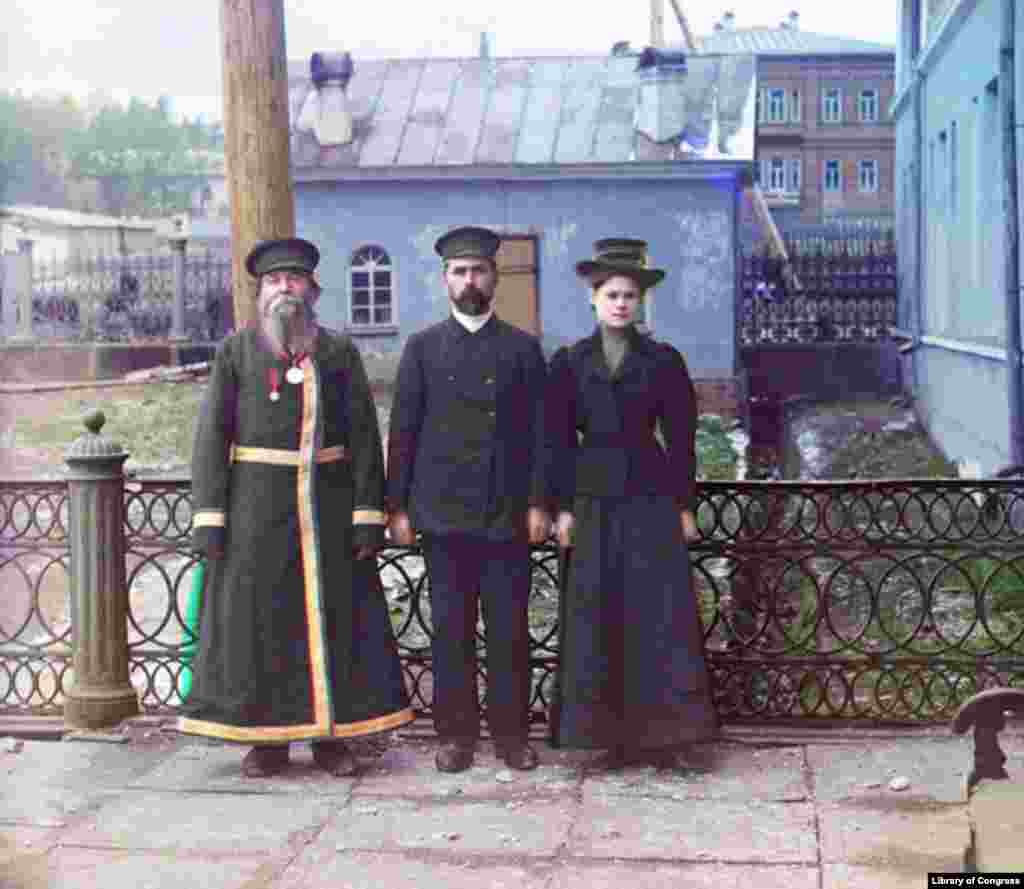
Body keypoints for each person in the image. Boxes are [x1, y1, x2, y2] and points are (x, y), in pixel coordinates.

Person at [180, 237, 414, 777]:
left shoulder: (338, 353)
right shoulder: (235, 353)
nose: (284, 287)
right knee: (263, 625)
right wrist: (210, 518)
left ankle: (333, 741)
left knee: (336, 622)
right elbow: (212, 438)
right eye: (273, 281)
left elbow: (362, 435)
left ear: (312, 289)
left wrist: (366, 515)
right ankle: (267, 742)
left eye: (294, 279)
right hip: (255, 515)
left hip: (328, 514)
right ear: (260, 293)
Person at [544, 238, 718, 769]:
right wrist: (564, 509)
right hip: (593, 499)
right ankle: (607, 738)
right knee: (599, 613)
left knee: (659, 614)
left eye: (629, 295)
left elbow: (682, 438)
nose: (621, 303)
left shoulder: (664, 361)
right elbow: (555, 440)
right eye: (611, 294)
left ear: (640, 302)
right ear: (592, 299)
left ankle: (672, 737)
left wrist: (684, 507)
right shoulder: (570, 362)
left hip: (649, 497)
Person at [386, 226, 549, 773]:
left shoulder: (523, 349)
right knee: (450, 632)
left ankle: (510, 736)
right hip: (444, 517)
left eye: (478, 270)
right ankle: (455, 737)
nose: (469, 280)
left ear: (494, 278)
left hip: (506, 516)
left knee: (508, 632)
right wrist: (399, 508)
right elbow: (403, 433)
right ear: (444, 281)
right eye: (459, 272)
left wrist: (537, 504)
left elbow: (542, 437)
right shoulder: (423, 348)